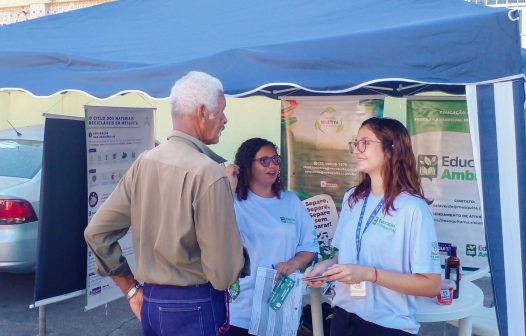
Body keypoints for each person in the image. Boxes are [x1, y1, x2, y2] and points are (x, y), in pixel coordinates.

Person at [84, 71, 245, 336]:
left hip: (152, 303)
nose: (225, 120)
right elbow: (223, 274)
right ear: (203, 112)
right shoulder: (210, 173)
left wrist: (131, 289)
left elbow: (96, 233)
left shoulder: (143, 163)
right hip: (196, 305)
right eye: (222, 111)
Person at [304, 117, 441, 336]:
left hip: (387, 326)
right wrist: (327, 268)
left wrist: (370, 274)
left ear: (391, 149)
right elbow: (344, 257)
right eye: (355, 143)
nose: (356, 150)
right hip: (343, 317)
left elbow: (431, 285)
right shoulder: (352, 199)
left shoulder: (412, 208)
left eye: (365, 142)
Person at [225, 137, 319, 336]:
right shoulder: (232, 201)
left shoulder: (290, 201)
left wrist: (292, 264)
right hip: (241, 309)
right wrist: (228, 188)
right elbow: (215, 237)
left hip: (280, 306)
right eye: (264, 161)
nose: (272, 166)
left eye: (276, 160)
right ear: (247, 166)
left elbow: (309, 246)